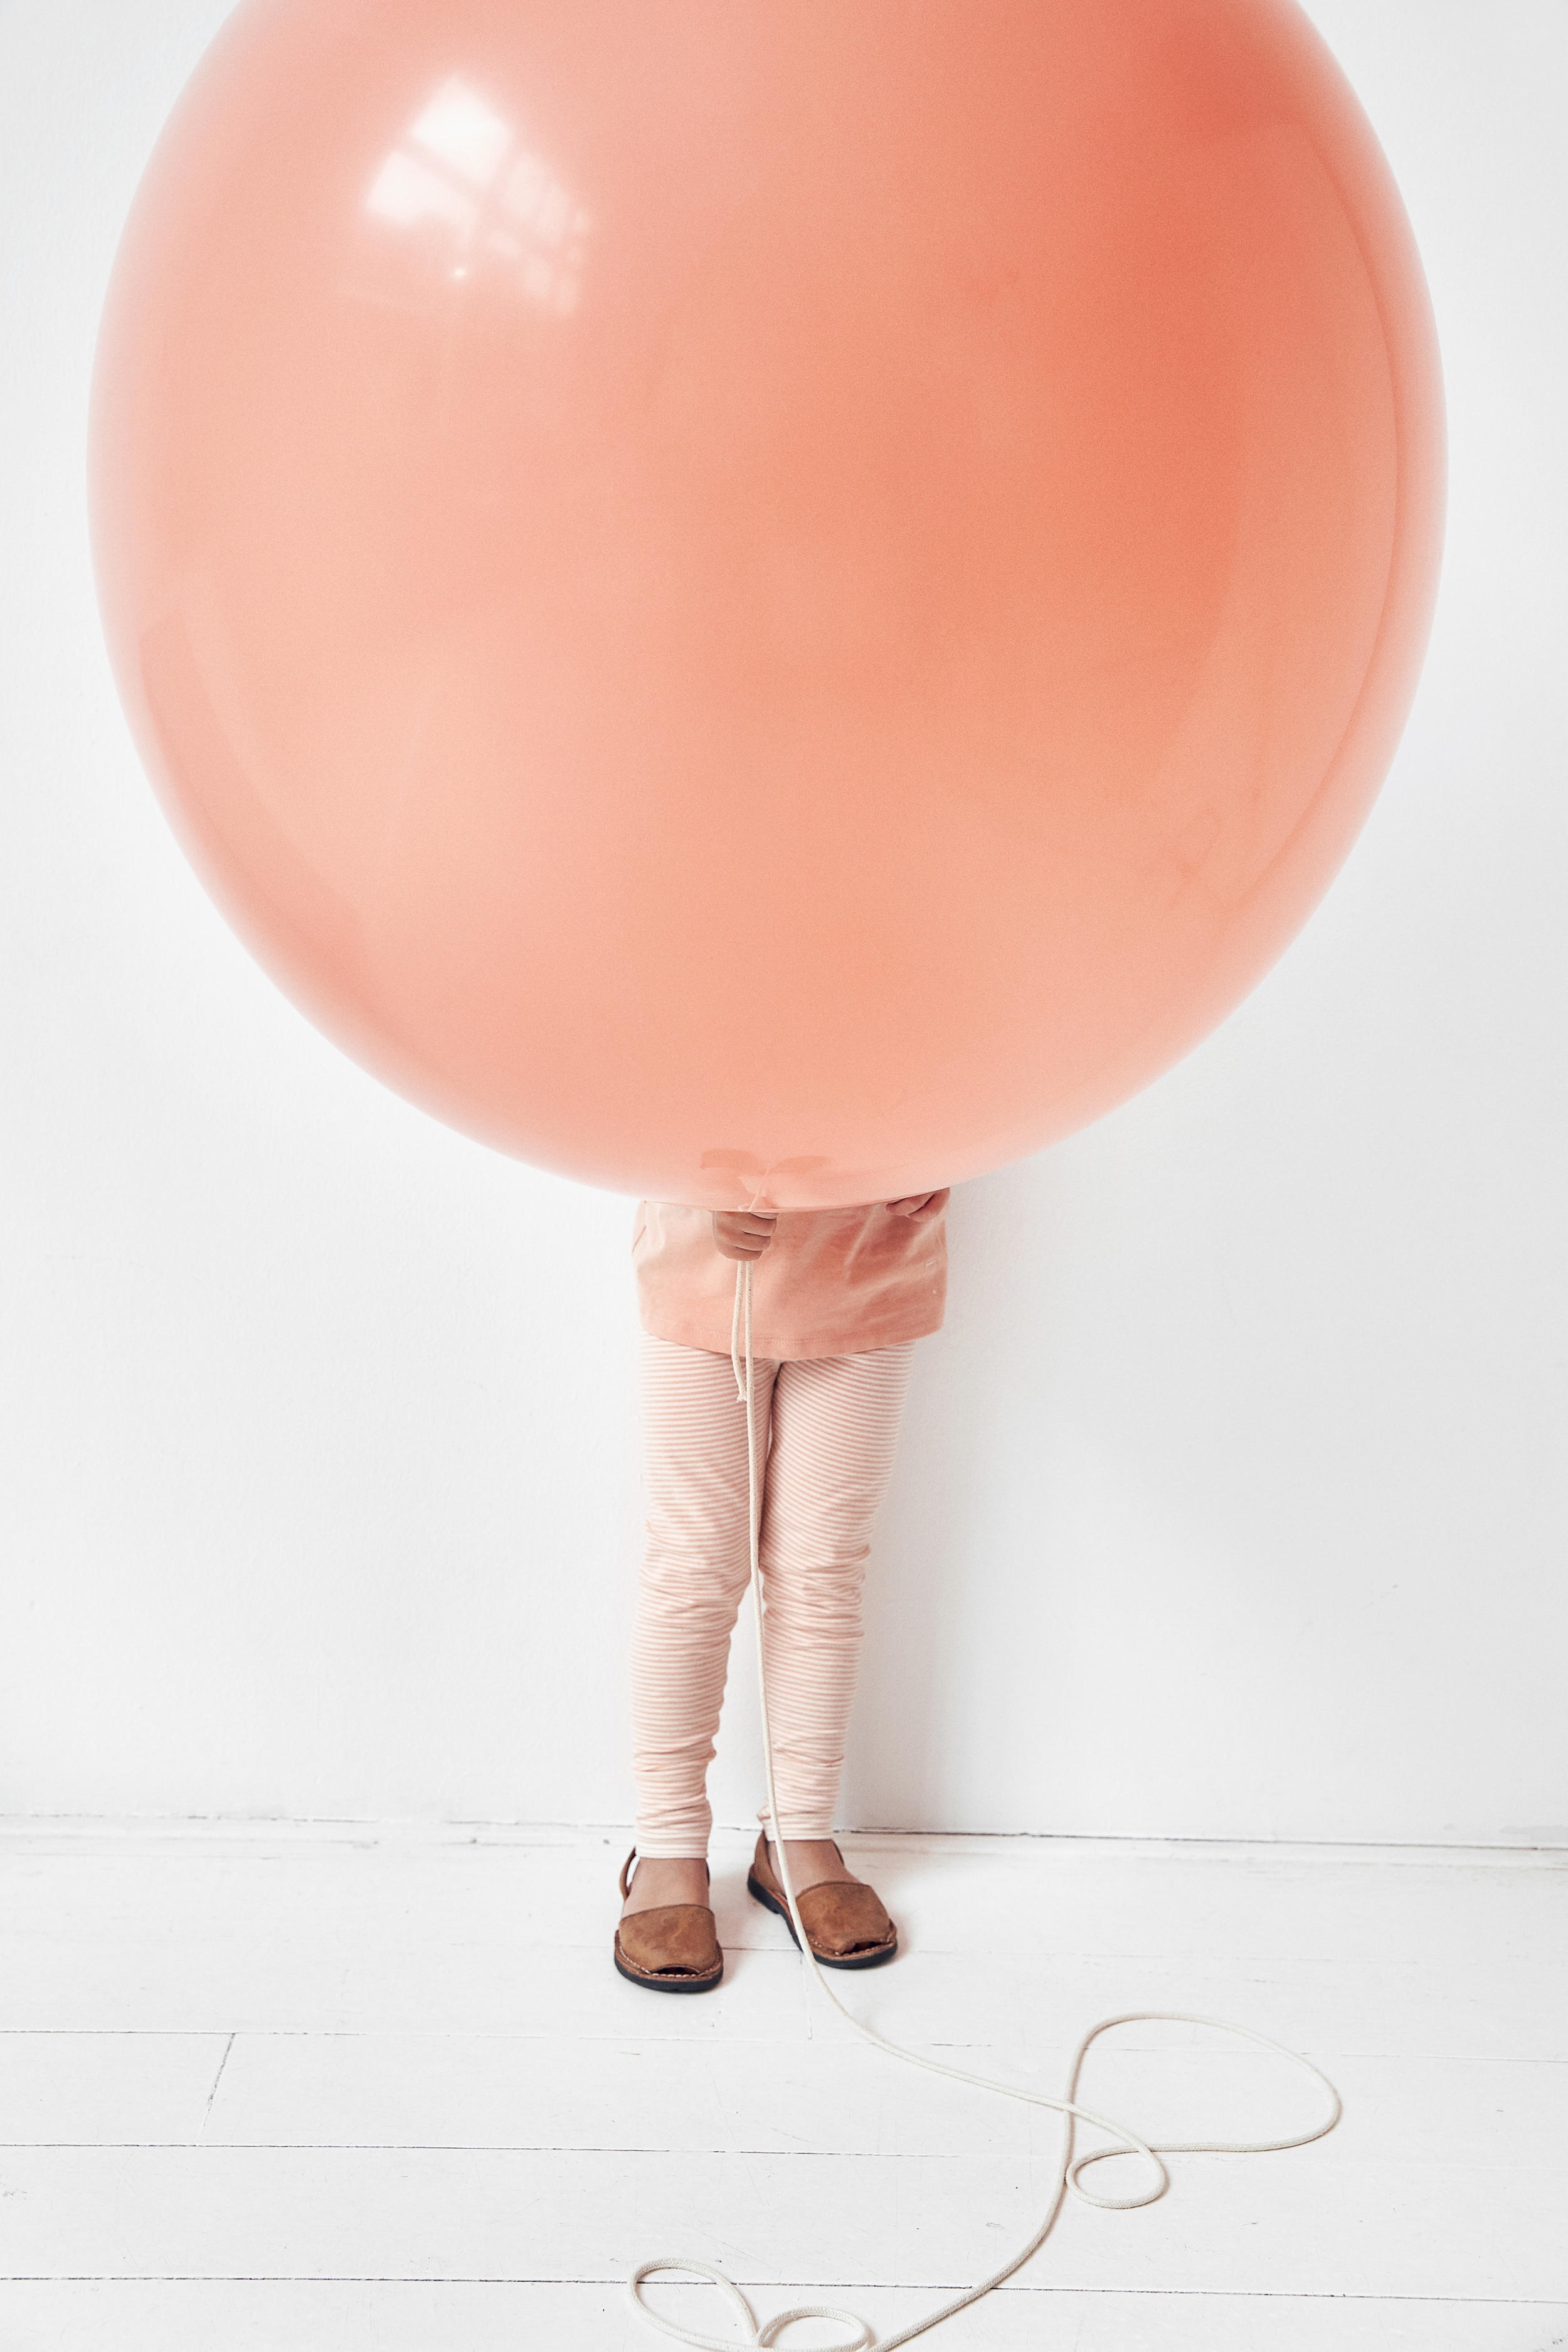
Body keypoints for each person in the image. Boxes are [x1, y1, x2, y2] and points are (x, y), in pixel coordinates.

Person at [613, 1189, 951, 1991]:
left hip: (872, 1256)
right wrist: (697, 1190)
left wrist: (919, 1174)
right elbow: (620, 1077)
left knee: (822, 1571)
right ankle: (666, 1847)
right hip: (707, 1264)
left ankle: (798, 1835)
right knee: (693, 1570)